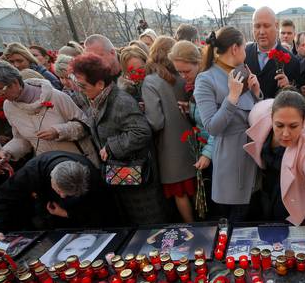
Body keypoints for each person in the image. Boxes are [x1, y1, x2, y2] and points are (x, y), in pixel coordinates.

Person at [71, 52, 168, 225]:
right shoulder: (98, 99)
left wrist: (110, 147)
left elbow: (141, 132)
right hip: (122, 174)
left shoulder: (120, 101)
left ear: (100, 84)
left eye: (83, 85)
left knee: (149, 223)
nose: (80, 89)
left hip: (138, 176)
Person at [244, 91, 305, 259]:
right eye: (279, 125)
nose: (286, 134)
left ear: (304, 123)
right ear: (270, 118)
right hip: (268, 186)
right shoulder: (259, 115)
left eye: (293, 126)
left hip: (295, 191)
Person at [0, 151, 109, 255]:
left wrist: (69, 213)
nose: (62, 196)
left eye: (69, 194)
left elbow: (99, 208)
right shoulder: (32, 171)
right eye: (59, 190)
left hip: (82, 227)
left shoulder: (89, 175)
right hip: (47, 222)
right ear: (52, 176)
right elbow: (3, 198)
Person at [194, 27, 261, 222]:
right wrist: (231, 97)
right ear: (234, 48)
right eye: (244, 47)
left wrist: (257, 94)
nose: (245, 52)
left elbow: (253, 113)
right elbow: (212, 127)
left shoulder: (241, 70)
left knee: (251, 216)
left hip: (252, 155)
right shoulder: (206, 79)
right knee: (235, 220)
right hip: (231, 159)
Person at [0, 61, 98, 167]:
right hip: (49, 165)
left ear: (14, 82)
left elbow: (85, 126)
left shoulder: (56, 96)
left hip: (79, 162)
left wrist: (58, 131)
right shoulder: (9, 106)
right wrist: (7, 152)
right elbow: (22, 139)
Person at [142, 36, 196, 222]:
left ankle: (192, 228)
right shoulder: (183, 76)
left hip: (169, 147)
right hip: (193, 141)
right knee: (195, 187)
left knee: (179, 192)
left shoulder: (150, 81)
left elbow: (156, 122)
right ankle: (208, 225)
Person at [168, 40, 215, 170]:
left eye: (186, 71)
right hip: (206, 148)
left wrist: (207, 154)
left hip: (214, 152)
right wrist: (191, 110)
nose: (183, 76)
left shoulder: (207, 84)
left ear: (198, 63)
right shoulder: (194, 85)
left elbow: (218, 124)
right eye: (179, 72)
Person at [246, 7, 305, 99]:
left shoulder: (292, 61)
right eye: (257, 26)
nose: (261, 32)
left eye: (266, 26)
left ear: (276, 26)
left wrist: (289, 88)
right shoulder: (244, 54)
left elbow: (297, 101)